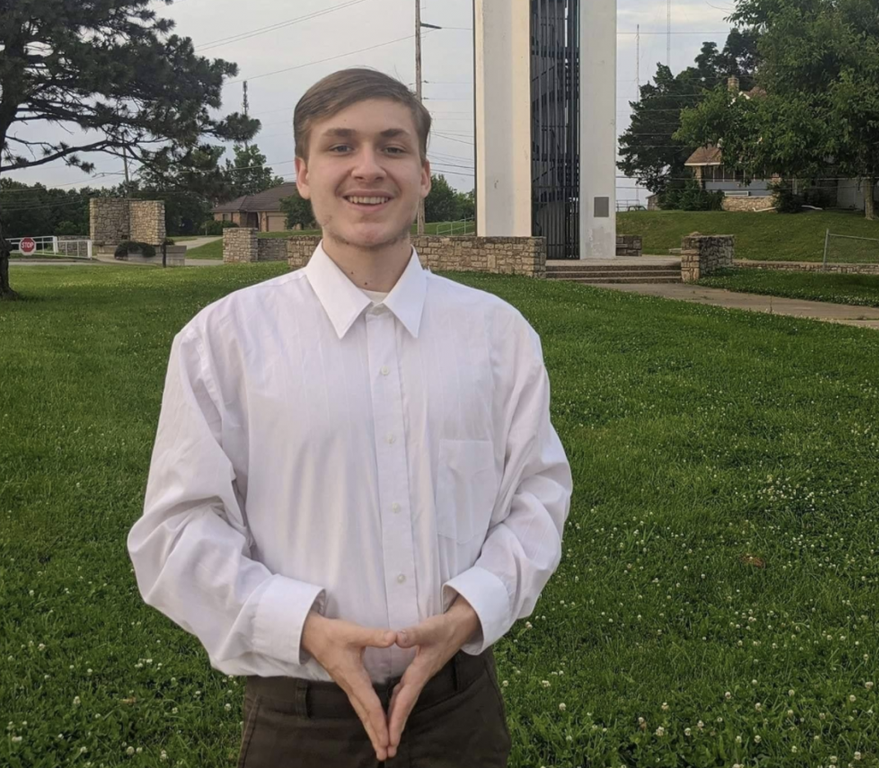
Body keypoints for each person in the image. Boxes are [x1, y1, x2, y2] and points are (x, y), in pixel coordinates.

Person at [126, 67, 573, 767]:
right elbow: (177, 531)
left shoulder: (497, 334)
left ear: (424, 175)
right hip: (301, 718)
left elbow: (536, 496)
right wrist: (303, 627)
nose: (369, 168)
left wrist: (474, 607)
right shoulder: (224, 341)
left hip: (459, 713)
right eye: (341, 146)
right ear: (303, 174)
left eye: (393, 147)